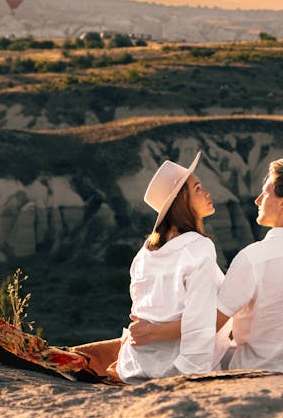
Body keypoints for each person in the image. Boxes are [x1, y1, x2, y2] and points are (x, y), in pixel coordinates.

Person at [131, 158, 283, 376]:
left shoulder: (252, 259)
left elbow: (209, 324)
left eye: (266, 193)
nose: (257, 200)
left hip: (254, 372)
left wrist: (154, 332)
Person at [73, 151, 227, 383]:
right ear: (180, 201)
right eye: (197, 189)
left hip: (136, 364)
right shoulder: (199, 247)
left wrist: (153, 333)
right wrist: (190, 372)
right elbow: (199, 324)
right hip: (175, 366)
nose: (206, 193)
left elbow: (145, 317)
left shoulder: (144, 254)